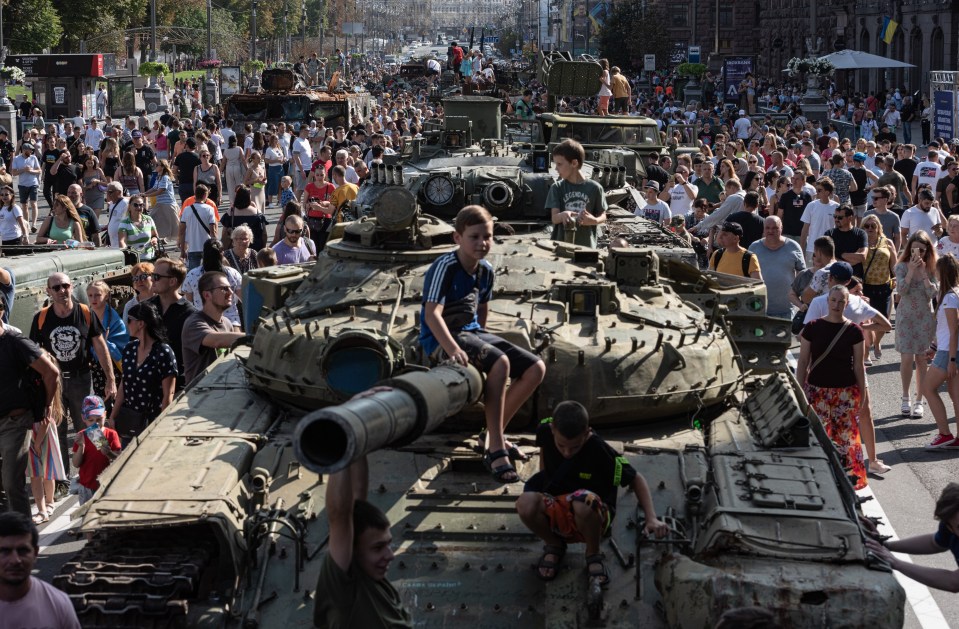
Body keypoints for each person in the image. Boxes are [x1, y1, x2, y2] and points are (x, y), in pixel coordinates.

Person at [421, 205, 546, 483]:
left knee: (535, 368)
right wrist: (452, 349)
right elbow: (432, 314)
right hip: (442, 336)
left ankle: (492, 433)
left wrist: (483, 341)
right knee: (501, 363)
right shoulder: (445, 267)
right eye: (474, 237)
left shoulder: (485, 270)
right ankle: (496, 447)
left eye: (487, 236)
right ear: (457, 238)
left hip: (471, 331)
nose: (482, 243)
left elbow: (482, 309)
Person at [515, 400, 667, 582]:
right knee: (524, 503)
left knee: (584, 501)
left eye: (575, 447)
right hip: (559, 502)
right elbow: (545, 462)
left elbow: (636, 479)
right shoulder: (545, 432)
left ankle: (592, 553)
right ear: (553, 429)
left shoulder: (598, 448)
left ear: (586, 433)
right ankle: (554, 545)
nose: (567, 453)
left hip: (594, 512)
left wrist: (651, 518)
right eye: (561, 445)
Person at [30, 272, 117, 477]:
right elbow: (34, 353)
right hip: (55, 382)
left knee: (91, 427)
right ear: (48, 291)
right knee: (57, 429)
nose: (62, 291)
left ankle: (101, 470)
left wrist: (110, 379)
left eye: (66, 286)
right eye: (57, 288)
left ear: (71, 287)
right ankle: (62, 479)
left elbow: (100, 345)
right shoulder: (41, 318)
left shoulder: (85, 312)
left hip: (81, 379)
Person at [314, 450, 412, 627]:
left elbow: (358, 493)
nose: (390, 555)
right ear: (352, 551)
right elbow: (339, 514)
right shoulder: (345, 591)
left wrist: (357, 441)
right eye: (377, 548)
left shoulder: (376, 585)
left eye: (388, 544)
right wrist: (340, 446)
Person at [796, 285, 867, 490]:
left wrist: (863, 394)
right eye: (833, 300)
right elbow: (803, 362)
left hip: (845, 392)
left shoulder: (855, 331)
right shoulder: (812, 327)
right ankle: (818, 479)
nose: (836, 305)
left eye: (841, 301)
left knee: (846, 440)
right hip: (816, 391)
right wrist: (799, 391)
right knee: (818, 437)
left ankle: (847, 483)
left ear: (847, 303)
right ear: (827, 301)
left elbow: (859, 366)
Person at [866, 483, 959, 592]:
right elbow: (934, 544)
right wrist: (885, 545)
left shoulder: (955, 524)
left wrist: (896, 563)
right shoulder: (950, 526)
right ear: (950, 527)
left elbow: (954, 582)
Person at [109, 302, 177, 445]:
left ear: (141, 324)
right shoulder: (129, 349)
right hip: (130, 420)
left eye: (129, 320)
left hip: (153, 421)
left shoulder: (163, 352)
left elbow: (168, 395)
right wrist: (113, 416)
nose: (126, 323)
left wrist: (161, 427)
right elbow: (124, 384)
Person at [0, 512, 81, 627]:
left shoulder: (59, 605)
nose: (15, 560)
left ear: (35, 553)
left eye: (23, 550)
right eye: (4, 551)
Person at [895, 231, 938, 419]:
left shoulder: (932, 267)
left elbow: (932, 294)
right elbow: (901, 291)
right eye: (914, 250)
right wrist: (911, 271)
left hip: (924, 318)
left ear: (927, 249)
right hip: (906, 317)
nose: (917, 254)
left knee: (921, 359)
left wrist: (923, 274)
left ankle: (920, 400)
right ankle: (905, 397)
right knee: (906, 358)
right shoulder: (901, 266)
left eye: (921, 250)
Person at [181, 271, 245, 386]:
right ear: (207, 295)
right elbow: (216, 341)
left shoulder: (227, 323)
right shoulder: (194, 323)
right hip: (198, 397)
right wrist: (256, 336)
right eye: (223, 289)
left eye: (230, 288)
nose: (230, 292)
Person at [547, 139, 607, 248]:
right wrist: (563, 215)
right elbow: (554, 218)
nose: (556, 168)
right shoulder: (557, 188)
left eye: (559, 164)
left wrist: (594, 221)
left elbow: (603, 215)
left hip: (586, 248)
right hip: (561, 246)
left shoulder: (595, 188)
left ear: (574, 163)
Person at [147, 257, 195, 390]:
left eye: (156, 276)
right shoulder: (146, 308)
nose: (152, 279)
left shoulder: (189, 314)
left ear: (172, 281)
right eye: (152, 275)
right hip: (148, 382)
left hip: (177, 384)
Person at [748, 216, 805, 318]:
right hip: (759, 309)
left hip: (786, 310)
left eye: (775, 228)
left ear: (781, 228)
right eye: (767, 228)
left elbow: (803, 274)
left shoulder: (794, 246)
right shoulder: (754, 247)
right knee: (758, 334)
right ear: (763, 229)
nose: (771, 231)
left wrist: (798, 298)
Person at [85, 280, 128, 412]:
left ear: (107, 296)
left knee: (113, 402)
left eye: (97, 295)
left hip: (113, 365)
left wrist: (102, 344)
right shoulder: (85, 315)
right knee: (98, 403)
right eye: (90, 295)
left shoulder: (114, 319)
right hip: (94, 367)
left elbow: (122, 341)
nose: (94, 299)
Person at [859, 214, 897, 360]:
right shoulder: (860, 243)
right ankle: (866, 350)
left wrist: (895, 277)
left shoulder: (887, 242)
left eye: (873, 226)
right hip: (866, 287)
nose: (870, 229)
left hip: (884, 286)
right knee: (867, 320)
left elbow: (894, 262)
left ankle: (877, 341)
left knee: (884, 320)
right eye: (866, 226)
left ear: (879, 227)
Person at [71, 395, 120, 503]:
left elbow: (119, 459)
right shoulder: (82, 435)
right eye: (91, 420)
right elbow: (75, 463)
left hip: (107, 484)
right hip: (87, 485)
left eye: (99, 419)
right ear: (84, 418)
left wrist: (109, 453)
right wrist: (81, 447)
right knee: (86, 516)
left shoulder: (111, 434)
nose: (95, 424)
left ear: (105, 415)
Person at [182, 239, 243, 326]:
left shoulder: (192, 275)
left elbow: (189, 302)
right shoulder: (233, 274)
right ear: (222, 254)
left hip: (203, 321)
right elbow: (244, 299)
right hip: (231, 320)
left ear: (203, 254)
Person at [799, 178, 840, 263]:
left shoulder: (836, 207)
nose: (816, 192)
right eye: (817, 189)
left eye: (819, 190)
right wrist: (802, 248)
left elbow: (839, 228)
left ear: (827, 192)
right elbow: (805, 229)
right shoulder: (811, 206)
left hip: (829, 249)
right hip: (811, 248)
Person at [179, 184, 217, 270]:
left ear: (195, 194)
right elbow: (213, 231)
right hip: (207, 247)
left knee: (193, 274)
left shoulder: (186, 209)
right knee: (208, 273)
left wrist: (182, 250)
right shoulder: (209, 209)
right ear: (205, 195)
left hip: (192, 247)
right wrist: (216, 246)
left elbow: (182, 231)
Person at [221, 185, 269, 253]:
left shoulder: (230, 212)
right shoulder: (257, 213)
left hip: (236, 248)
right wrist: (264, 246)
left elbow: (224, 233)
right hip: (255, 247)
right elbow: (264, 233)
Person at [824, 204, 868, 278]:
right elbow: (827, 257)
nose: (836, 220)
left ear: (850, 218)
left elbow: (862, 256)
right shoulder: (829, 234)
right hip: (835, 277)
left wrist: (841, 254)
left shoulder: (860, 233)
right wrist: (850, 261)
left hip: (855, 278)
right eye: (835, 217)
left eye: (840, 217)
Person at [142, 159, 179, 240]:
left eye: (157, 165)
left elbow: (160, 191)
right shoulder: (159, 177)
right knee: (153, 220)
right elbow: (154, 188)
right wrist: (144, 194)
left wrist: (146, 195)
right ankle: (157, 238)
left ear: (162, 167)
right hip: (161, 204)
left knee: (175, 227)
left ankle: (181, 244)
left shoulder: (165, 177)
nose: (155, 166)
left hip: (168, 205)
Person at [11, 141, 41, 233]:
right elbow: (14, 172)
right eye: (30, 150)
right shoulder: (16, 159)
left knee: (33, 203)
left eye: (32, 150)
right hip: (22, 185)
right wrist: (24, 169)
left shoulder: (33, 158)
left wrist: (31, 170)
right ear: (24, 150)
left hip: (33, 183)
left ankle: (34, 224)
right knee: (24, 205)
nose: (31, 152)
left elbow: (39, 170)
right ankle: (27, 223)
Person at [117, 193, 159, 260]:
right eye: (135, 205)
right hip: (134, 262)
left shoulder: (149, 219)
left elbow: (155, 236)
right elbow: (122, 242)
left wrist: (154, 240)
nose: (139, 207)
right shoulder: (124, 223)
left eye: (141, 205)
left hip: (151, 259)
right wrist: (128, 255)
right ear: (130, 206)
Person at [863, 185, 901, 250]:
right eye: (873, 198)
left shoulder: (894, 217)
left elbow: (898, 238)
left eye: (876, 198)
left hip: (886, 252)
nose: (873, 200)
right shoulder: (867, 214)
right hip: (869, 252)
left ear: (885, 200)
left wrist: (895, 254)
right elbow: (862, 234)